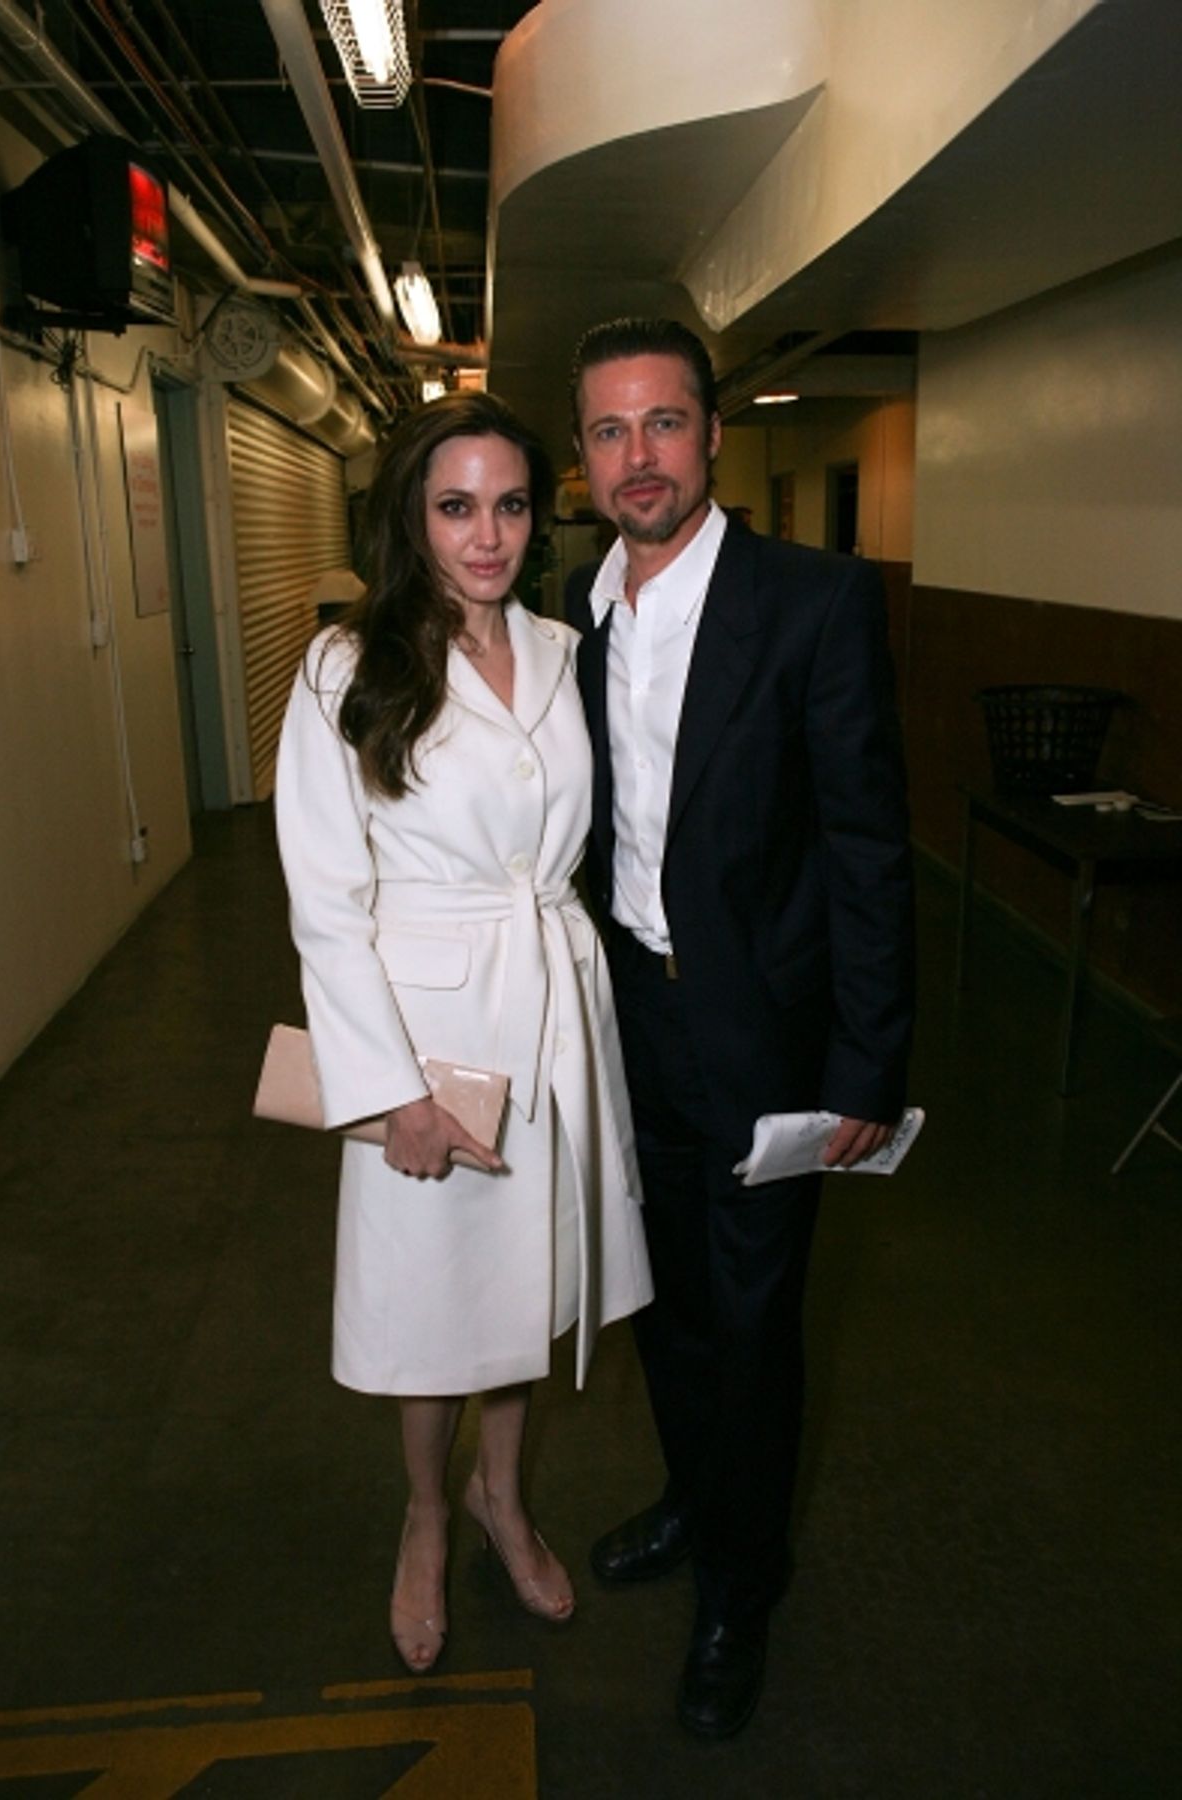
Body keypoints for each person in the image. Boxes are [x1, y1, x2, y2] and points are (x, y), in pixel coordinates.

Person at [565, 319, 915, 1739]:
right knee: (664, 1303)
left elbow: (867, 849)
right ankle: (694, 1498)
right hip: (626, 1029)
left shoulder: (815, 602)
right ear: (584, 456)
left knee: (755, 1326)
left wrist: (868, 1066)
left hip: (765, 1038)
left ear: (713, 434)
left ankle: (739, 1587)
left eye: (664, 422)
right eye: (609, 431)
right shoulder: (572, 616)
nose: (638, 456)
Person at [274, 390, 652, 1678]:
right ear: (411, 517)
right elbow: (327, 904)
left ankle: (503, 1496)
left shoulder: (563, 648)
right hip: (428, 1030)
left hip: (552, 1009)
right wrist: (393, 1094)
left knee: (525, 1283)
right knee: (435, 1297)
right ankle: (429, 1514)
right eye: (454, 507)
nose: (485, 537)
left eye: (509, 506)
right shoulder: (344, 667)